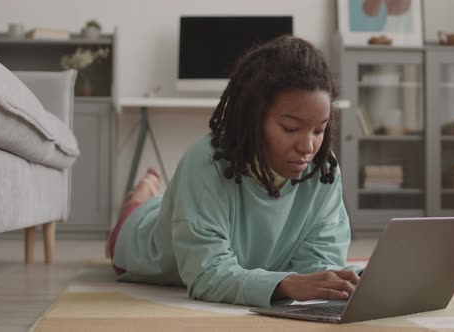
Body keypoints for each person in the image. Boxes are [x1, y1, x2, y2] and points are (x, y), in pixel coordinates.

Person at [107, 35, 361, 308]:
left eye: (319, 130)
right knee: (129, 220)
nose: (308, 146)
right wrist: (285, 284)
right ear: (254, 117)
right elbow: (206, 273)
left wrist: (343, 281)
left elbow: (319, 267)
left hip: (187, 211)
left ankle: (150, 192)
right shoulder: (206, 162)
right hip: (147, 248)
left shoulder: (322, 169)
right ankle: (142, 192)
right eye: (290, 128)